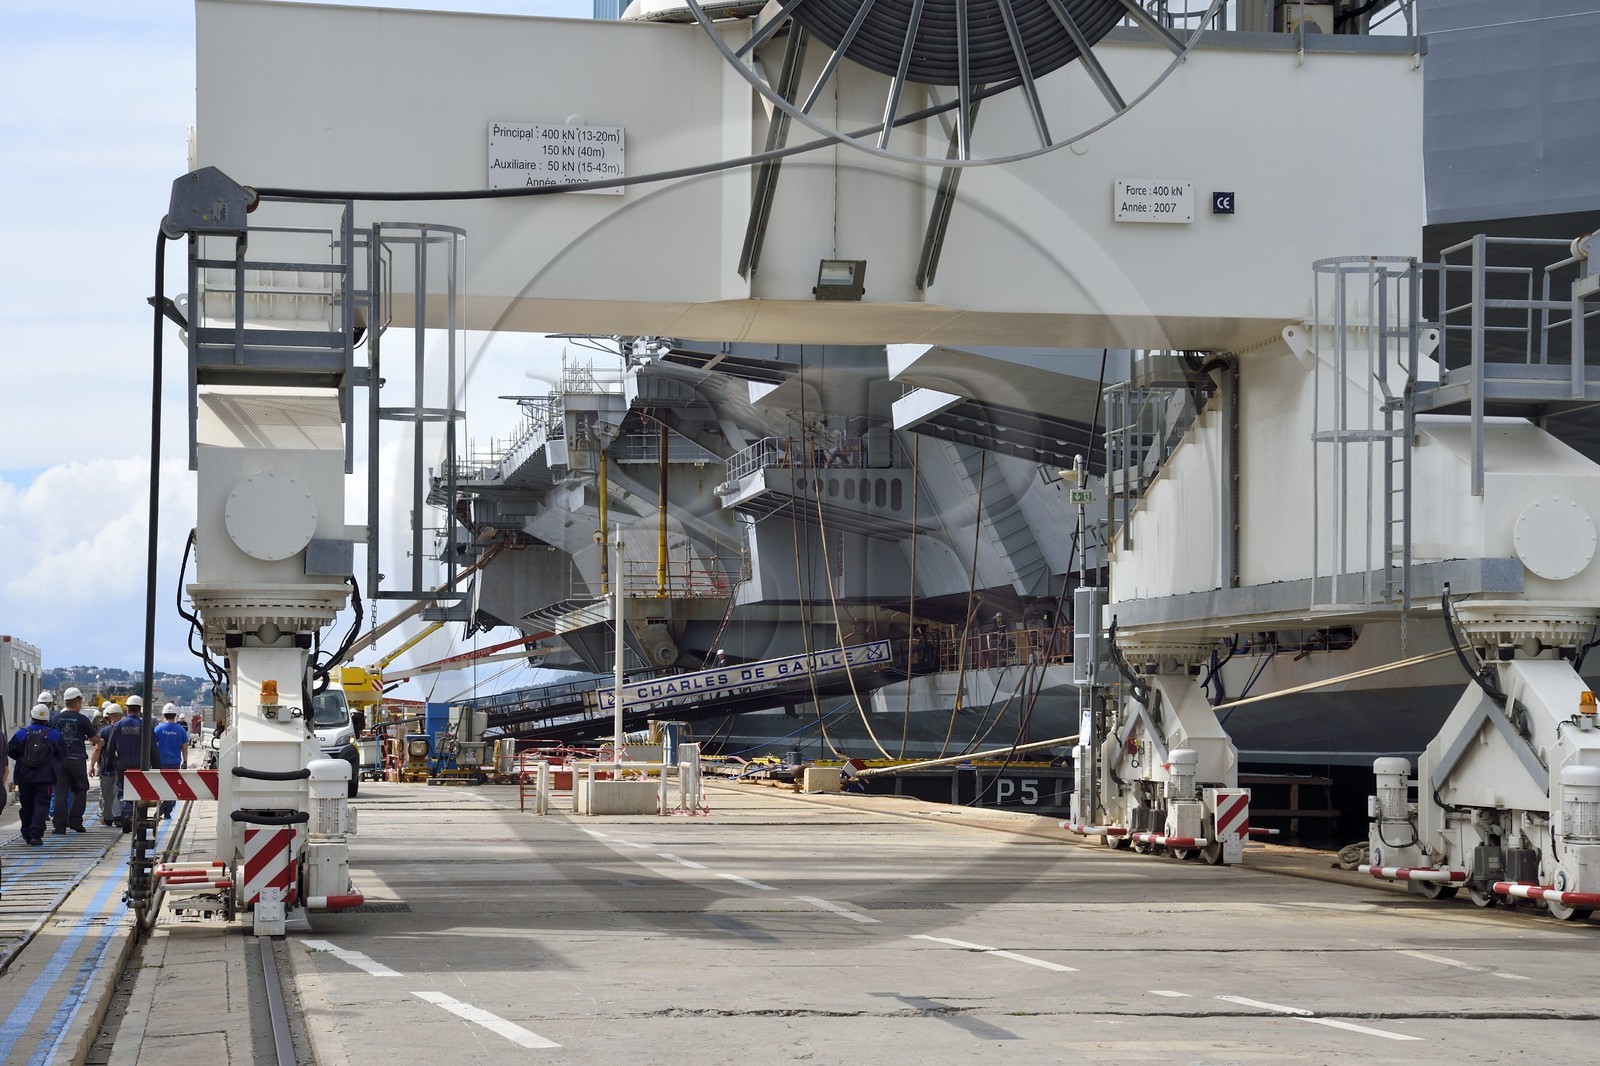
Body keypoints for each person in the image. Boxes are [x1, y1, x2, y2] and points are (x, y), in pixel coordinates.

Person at [8, 705, 64, 846]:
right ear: (47, 719)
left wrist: (24, 760)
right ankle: (36, 834)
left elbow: (11, 750)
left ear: (32, 717)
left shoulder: (22, 733)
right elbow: (63, 754)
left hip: (24, 776)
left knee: (26, 804)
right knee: (42, 804)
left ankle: (26, 832)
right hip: (46, 777)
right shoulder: (54, 734)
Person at [48, 687, 95, 834]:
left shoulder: (55, 719)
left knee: (60, 793)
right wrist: (100, 742)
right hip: (77, 761)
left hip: (59, 761)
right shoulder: (82, 719)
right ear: (77, 701)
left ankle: (59, 826)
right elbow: (95, 738)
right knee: (80, 790)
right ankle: (75, 822)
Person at [107, 695, 146, 831]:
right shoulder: (144, 725)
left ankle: (127, 814)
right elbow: (153, 748)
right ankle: (138, 817)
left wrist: (109, 765)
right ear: (139, 710)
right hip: (141, 765)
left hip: (123, 765)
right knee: (140, 791)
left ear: (127, 710)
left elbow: (110, 748)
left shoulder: (118, 726)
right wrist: (157, 767)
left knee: (123, 792)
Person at [89, 702, 126, 827]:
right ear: (120, 716)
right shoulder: (125, 730)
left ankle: (108, 818)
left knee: (106, 794)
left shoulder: (103, 731)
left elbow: (97, 749)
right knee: (120, 792)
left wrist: (92, 766)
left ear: (108, 717)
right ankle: (119, 816)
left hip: (107, 768)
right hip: (123, 767)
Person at [152, 704, 190, 819]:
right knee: (173, 787)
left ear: (164, 715)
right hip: (174, 762)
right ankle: (167, 810)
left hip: (160, 762)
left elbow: (152, 745)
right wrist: (185, 762)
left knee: (161, 785)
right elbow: (184, 747)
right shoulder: (180, 730)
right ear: (175, 715)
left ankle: (162, 805)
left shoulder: (158, 729)